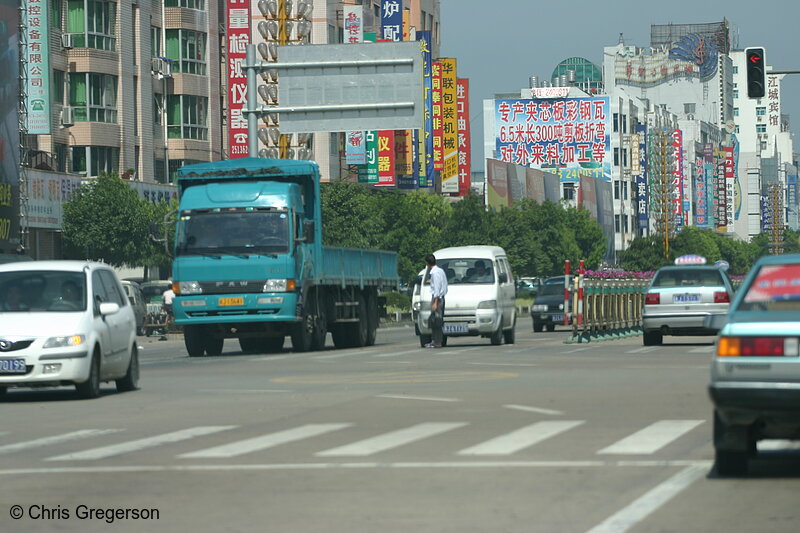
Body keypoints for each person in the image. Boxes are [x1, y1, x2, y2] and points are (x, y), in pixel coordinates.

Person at [424, 253, 448, 348]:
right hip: (440, 298)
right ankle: (434, 340)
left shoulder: (435, 273)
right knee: (435, 321)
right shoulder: (440, 271)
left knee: (437, 321)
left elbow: (437, 288)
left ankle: (437, 341)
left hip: (437, 299)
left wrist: (435, 302)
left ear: (427, 263)